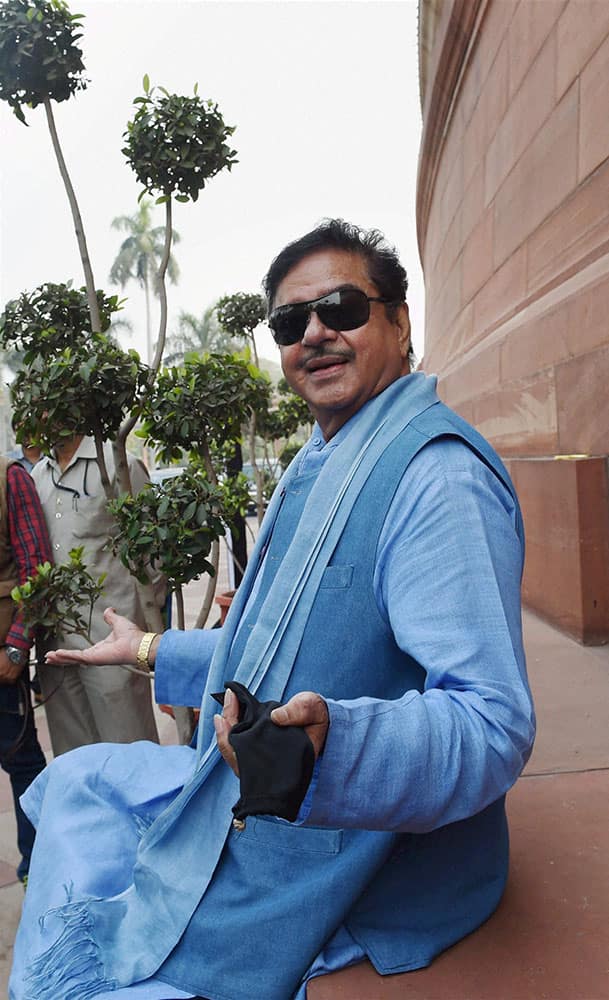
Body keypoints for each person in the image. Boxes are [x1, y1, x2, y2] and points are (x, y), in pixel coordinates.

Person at [10, 220, 535, 1000]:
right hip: (256, 787)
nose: (315, 334)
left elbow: (492, 724)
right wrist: (149, 649)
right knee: (78, 780)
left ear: (398, 322)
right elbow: (276, 649)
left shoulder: (435, 482)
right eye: (292, 323)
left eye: (342, 309)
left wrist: (334, 747)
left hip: (356, 849)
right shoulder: (319, 461)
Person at [31, 433, 160, 755]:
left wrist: (142, 623)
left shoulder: (119, 465)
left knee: (129, 749)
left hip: (113, 640)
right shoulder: (37, 475)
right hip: (56, 642)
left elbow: (154, 552)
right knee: (74, 755)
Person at [0, 455, 52, 887]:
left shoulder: (10, 478)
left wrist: (17, 647)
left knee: (22, 763)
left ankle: (36, 865)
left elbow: (36, 568)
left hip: (1, 661)